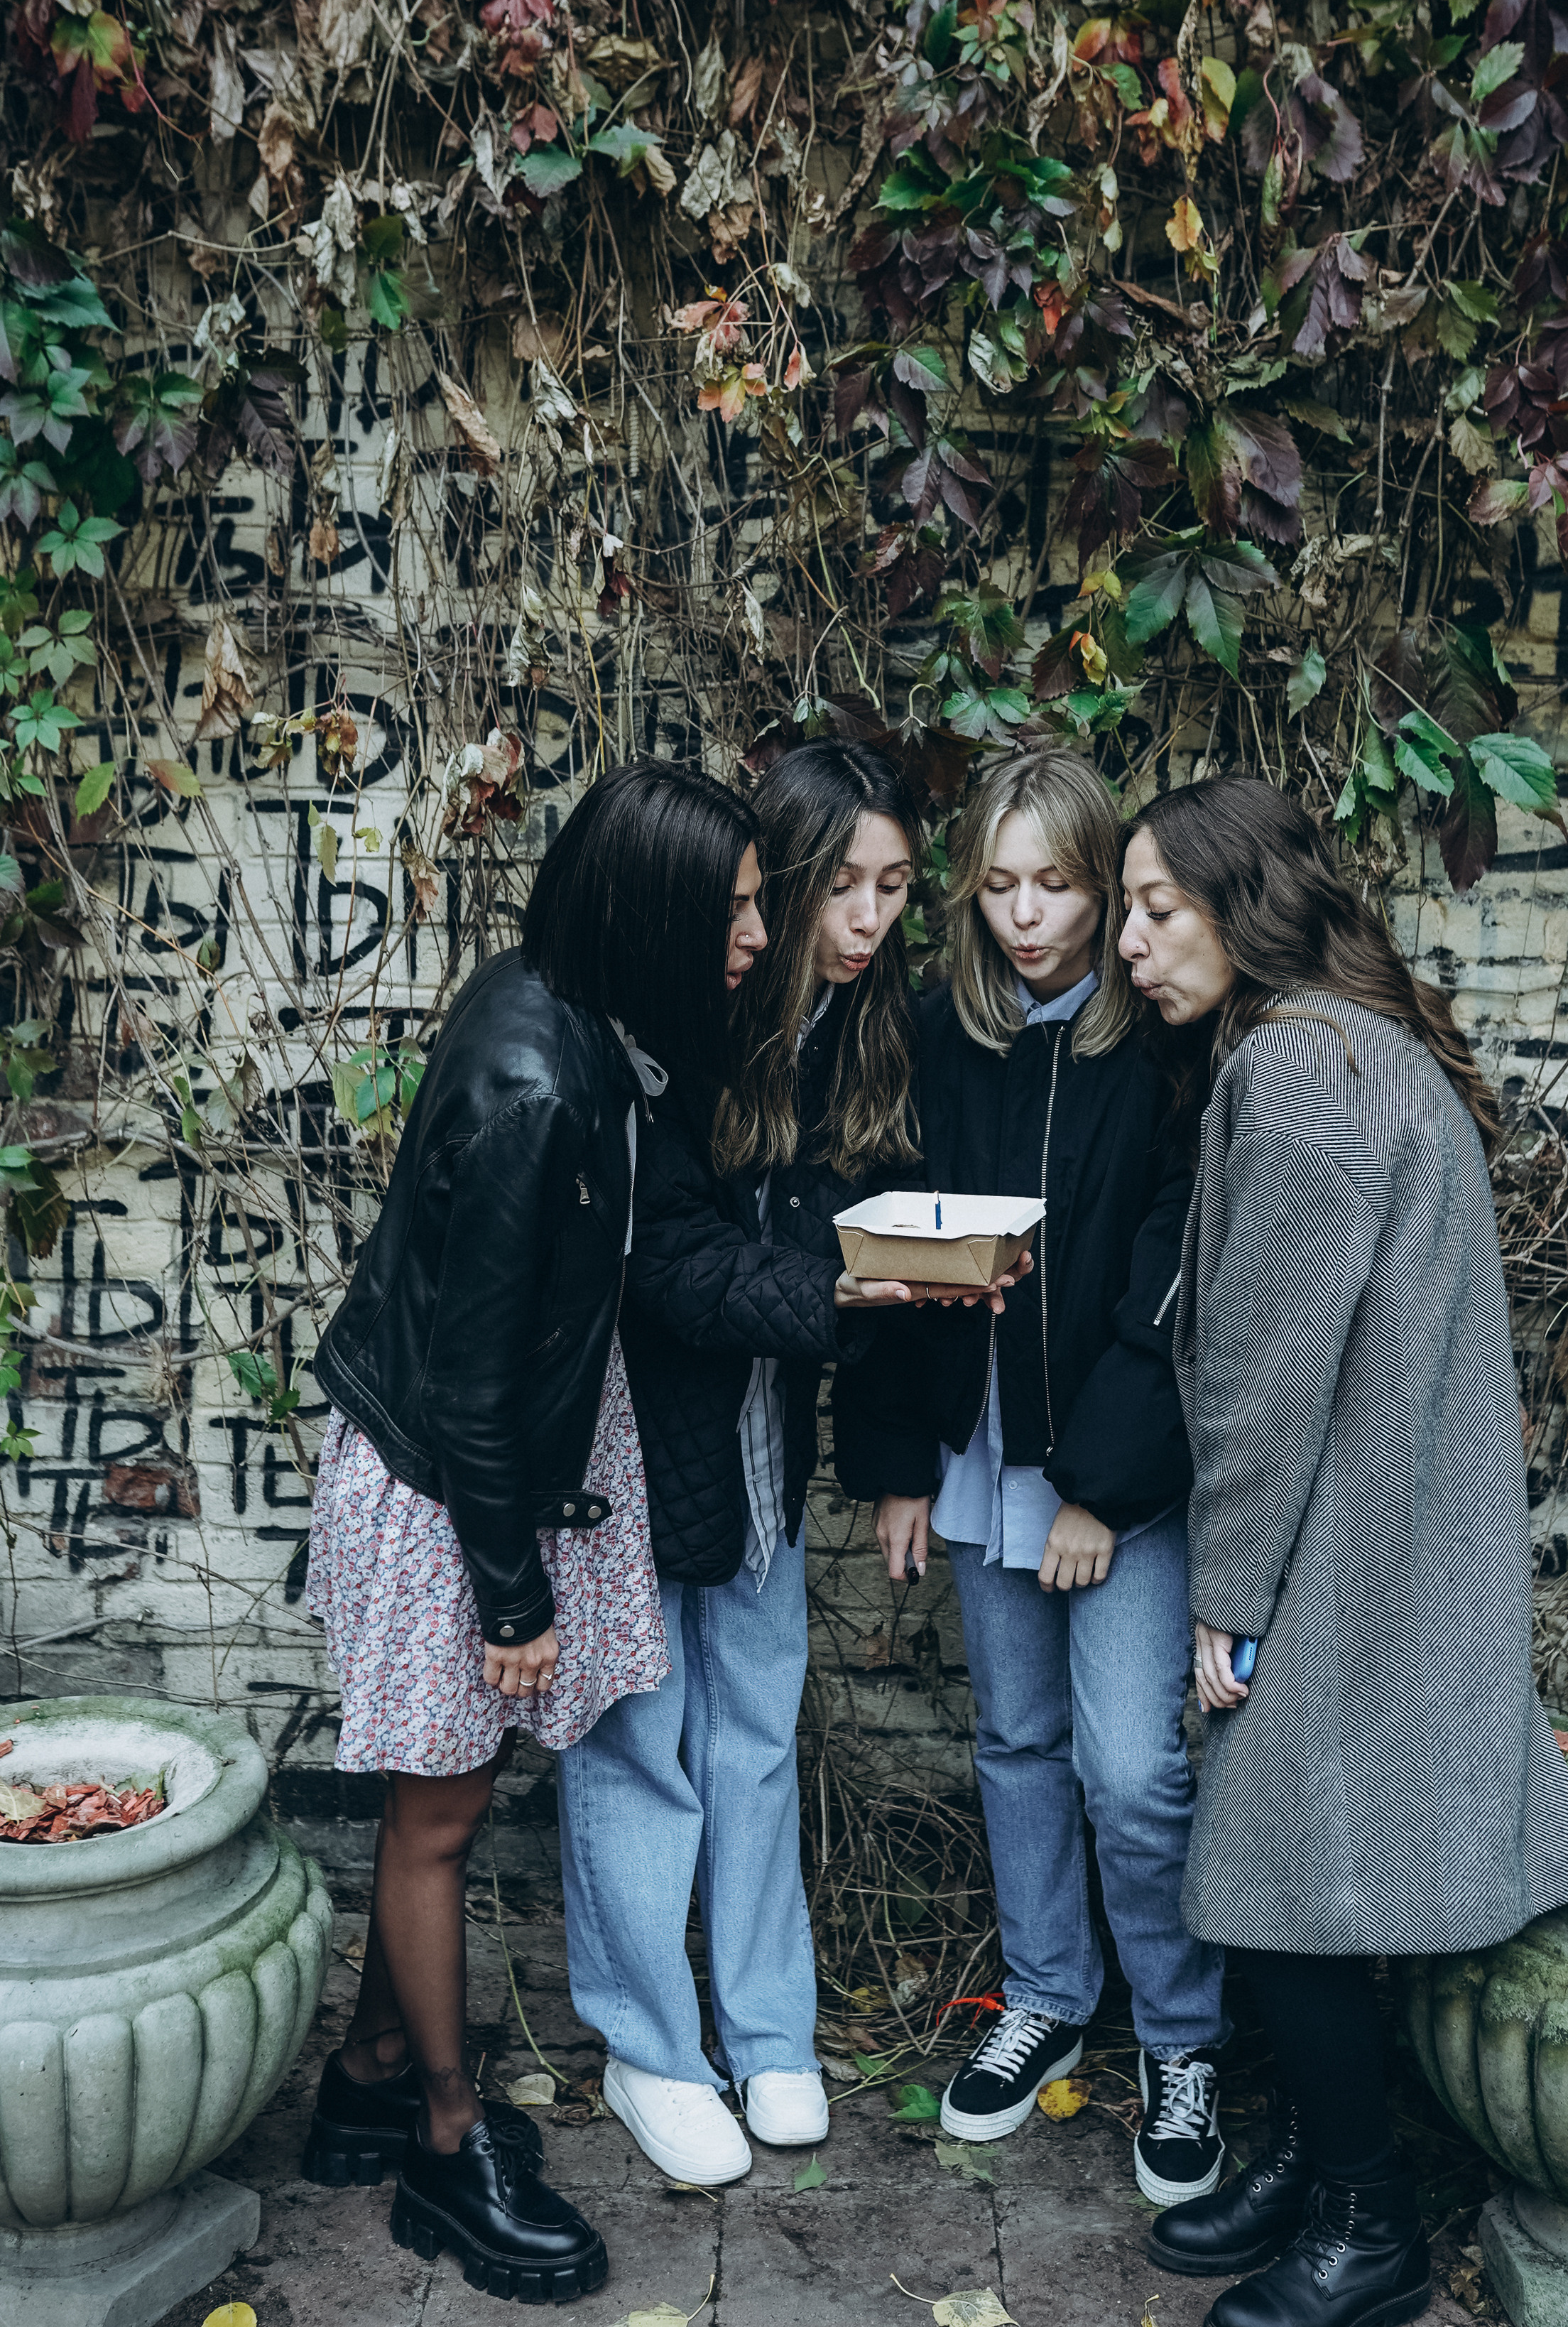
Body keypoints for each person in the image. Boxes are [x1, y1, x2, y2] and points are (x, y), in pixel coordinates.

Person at [1122, 775, 1568, 2327]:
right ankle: (1322, 2157)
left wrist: (1228, 1595)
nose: (1133, 940)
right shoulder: (1342, 1049)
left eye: (1157, 906)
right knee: (1304, 1872)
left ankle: (1365, 2222)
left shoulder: (1297, 1072)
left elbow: (1267, 1376)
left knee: (1277, 1875)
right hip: (1384, 1524)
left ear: (1243, 905)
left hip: (1342, 1540)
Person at [302, 759, 766, 2305]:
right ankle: (443, 2146)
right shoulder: (538, 1083)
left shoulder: (568, 1015)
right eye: (740, 908)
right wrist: (511, 1601)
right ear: (661, 911)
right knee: (436, 1819)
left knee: (447, 1798)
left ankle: (374, 2064)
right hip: (454, 1489)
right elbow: (473, 1379)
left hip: (477, 1471)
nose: (757, 934)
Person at [842, 747, 1230, 2209]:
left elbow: (1168, 1292)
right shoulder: (951, 1038)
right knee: (1013, 1743)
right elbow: (899, 1243)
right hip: (980, 1457)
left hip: (1112, 1480)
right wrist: (897, 1463)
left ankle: (1182, 2038)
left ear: (1102, 878)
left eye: (1055, 885)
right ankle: (1048, 1993)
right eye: (997, 886)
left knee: (1130, 1770)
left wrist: (1101, 1488)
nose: (1026, 917)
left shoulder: (1165, 1056)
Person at [557, 738, 942, 2186]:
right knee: (640, 1743)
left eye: (896, 885)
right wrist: (839, 1289)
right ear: (773, 880)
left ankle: (771, 2030)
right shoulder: (684, 1019)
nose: (867, 918)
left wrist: (912, 1260)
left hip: (763, 1433)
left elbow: (867, 1218)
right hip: (637, 1433)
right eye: (840, 883)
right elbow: (664, 1255)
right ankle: (651, 2048)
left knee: (757, 1739)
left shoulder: (871, 1028)